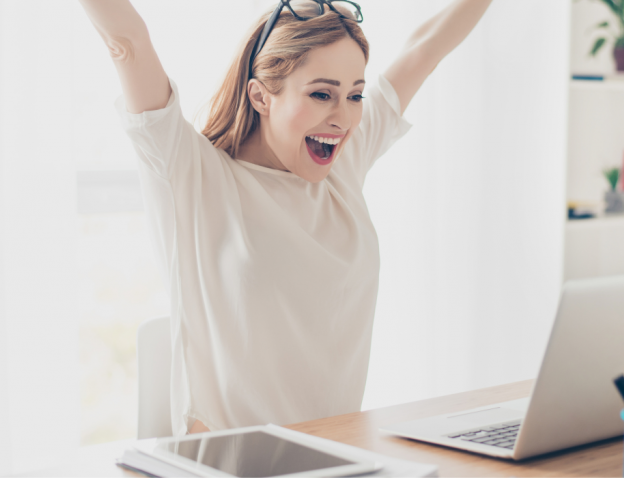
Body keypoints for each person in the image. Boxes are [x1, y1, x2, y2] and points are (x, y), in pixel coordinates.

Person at [78, 0, 493, 436]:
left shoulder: (343, 164)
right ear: (261, 96)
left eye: (355, 95)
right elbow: (128, 40)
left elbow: (425, 49)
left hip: (336, 455)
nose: (344, 117)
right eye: (321, 94)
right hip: (229, 462)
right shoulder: (191, 173)